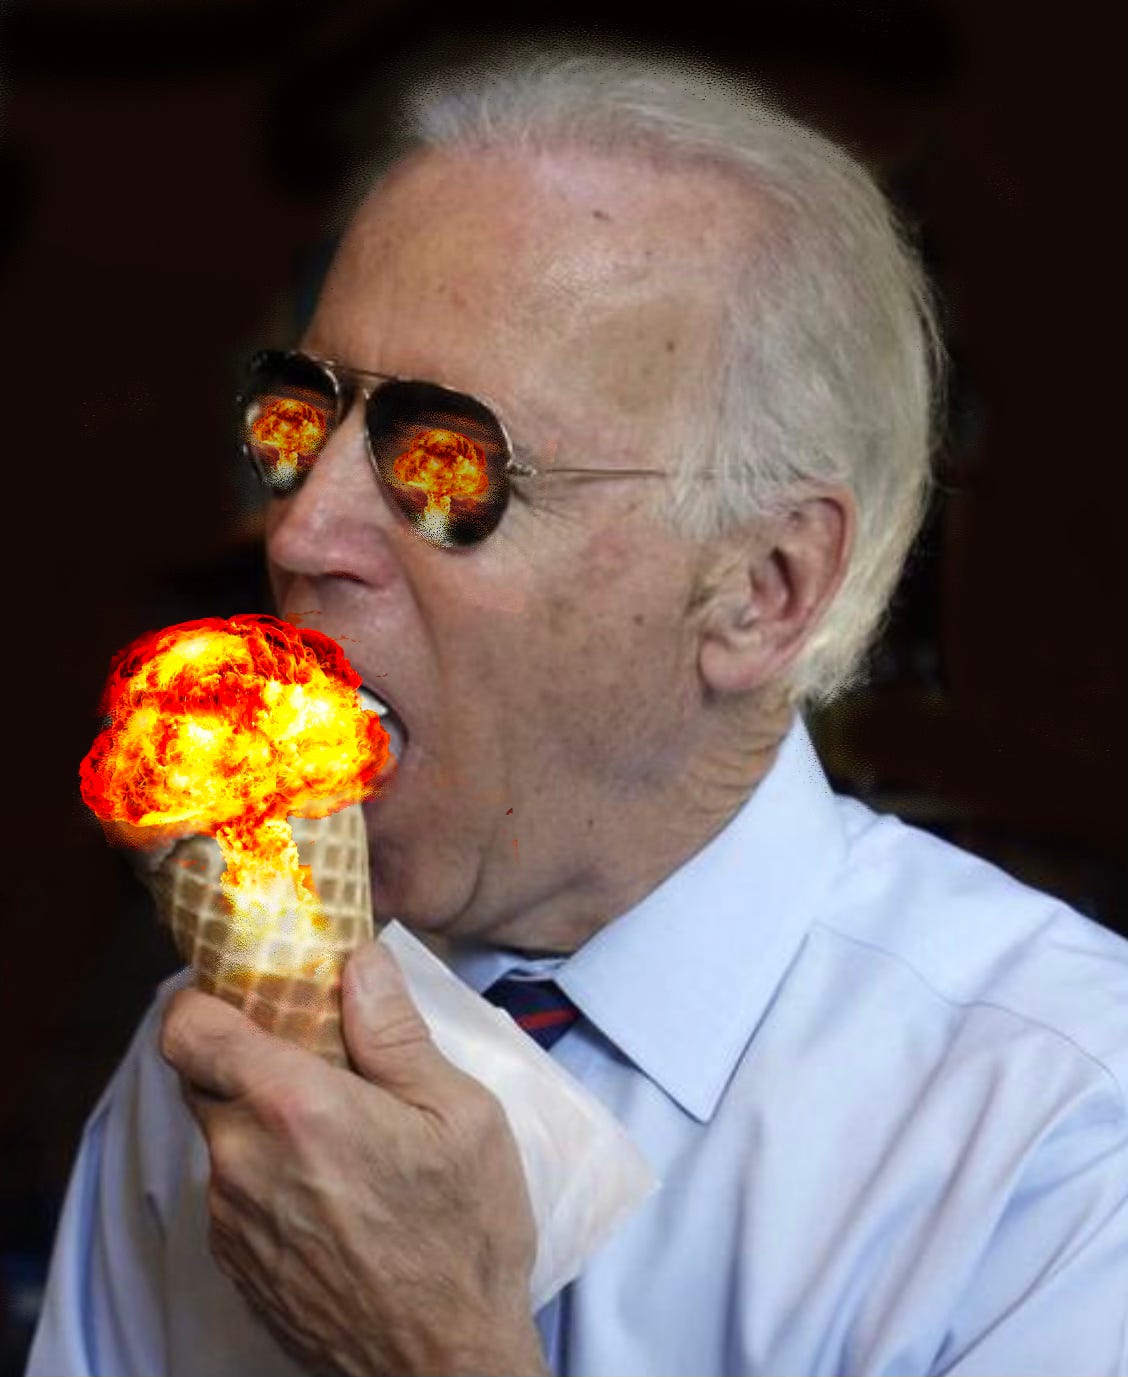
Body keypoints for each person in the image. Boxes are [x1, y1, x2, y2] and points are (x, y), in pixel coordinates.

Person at [27, 47, 1128, 1377]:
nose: (302, 532)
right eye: (299, 425)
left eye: (447, 465)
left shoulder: (1061, 1133)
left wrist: (436, 1347)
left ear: (764, 590)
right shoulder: (206, 1073)